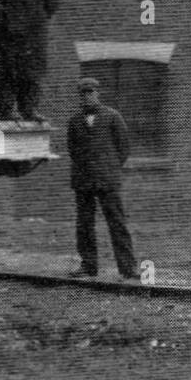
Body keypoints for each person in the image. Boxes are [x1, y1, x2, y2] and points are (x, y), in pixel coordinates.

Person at [66, 77, 138, 281]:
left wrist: (109, 168)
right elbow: (72, 150)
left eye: (91, 92)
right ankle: (88, 266)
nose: (87, 96)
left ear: (98, 93)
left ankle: (128, 268)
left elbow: (123, 149)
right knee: (84, 224)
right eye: (83, 93)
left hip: (108, 179)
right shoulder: (74, 121)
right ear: (79, 96)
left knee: (117, 223)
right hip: (83, 180)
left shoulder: (113, 117)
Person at [0, 0, 58, 121]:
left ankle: (29, 109)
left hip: (34, 36)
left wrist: (36, 23)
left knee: (32, 73)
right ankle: (7, 110)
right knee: (10, 72)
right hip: (11, 34)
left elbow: (52, 5)